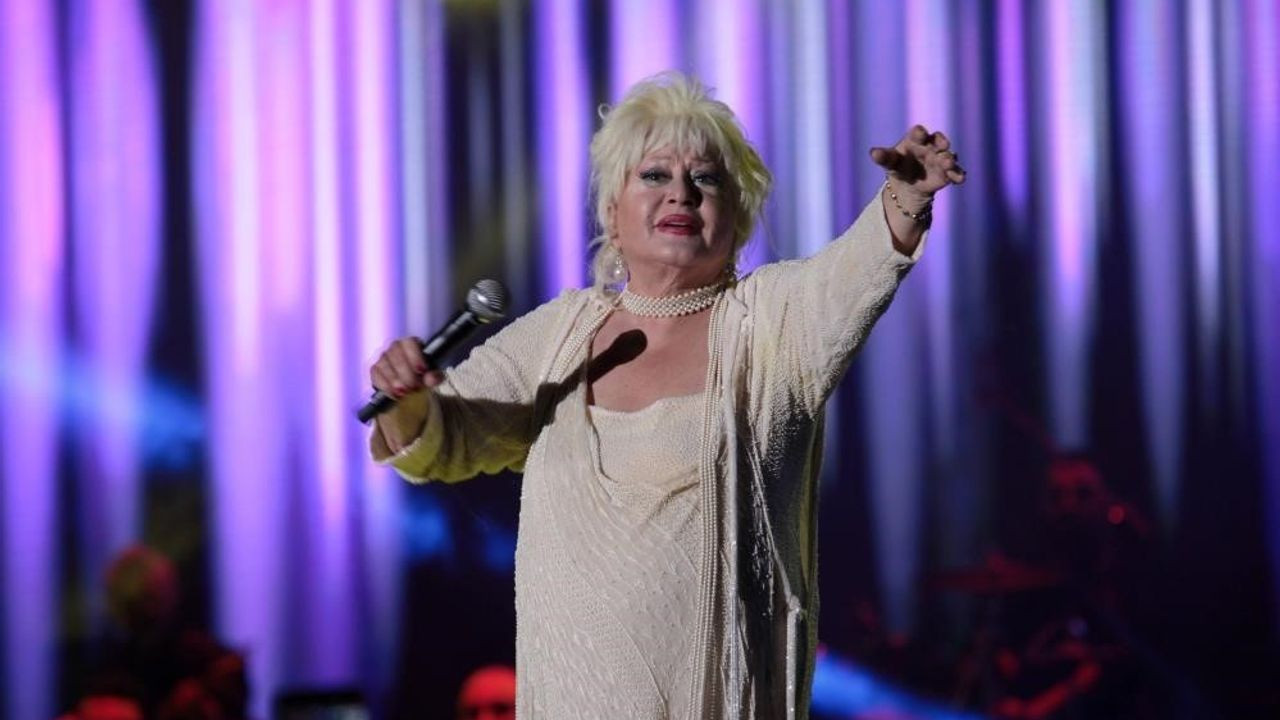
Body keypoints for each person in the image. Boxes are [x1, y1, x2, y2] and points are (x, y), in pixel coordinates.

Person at [369, 71, 964, 718]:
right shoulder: (556, 336)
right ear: (612, 212)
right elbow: (441, 438)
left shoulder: (772, 323)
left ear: (735, 215)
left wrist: (905, 196)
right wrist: (407, 399)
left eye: (705, 179)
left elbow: (854, 271)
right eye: (654, 175)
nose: (681, 192)